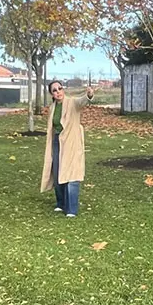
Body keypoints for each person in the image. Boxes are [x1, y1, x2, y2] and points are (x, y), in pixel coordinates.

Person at [40, 80, 94, 217]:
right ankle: (61, 203)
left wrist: (88, 95)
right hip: (57, 141)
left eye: (60, 88)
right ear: (51, 94)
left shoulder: (71, 103)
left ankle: (71, 209)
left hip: (71, 142)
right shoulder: (52, 108)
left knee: (72, 174)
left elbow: (82, 102)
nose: (58, 92)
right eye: (54, 90)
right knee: (58, 172)